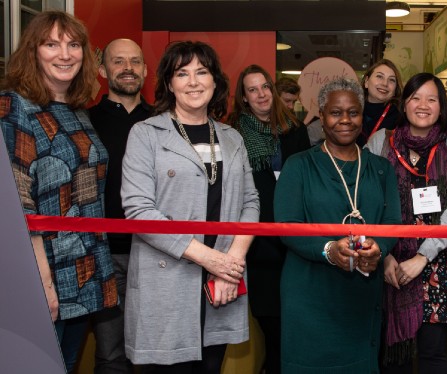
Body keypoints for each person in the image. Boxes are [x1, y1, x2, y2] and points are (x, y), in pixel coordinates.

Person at [121, 41, 259, 373]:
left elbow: (250, 202)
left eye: (202, 72)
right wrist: (210, 259)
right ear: (169, 83)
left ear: (215, 81)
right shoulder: (146, 134)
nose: (193, 82)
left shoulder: (231, 138)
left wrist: (231, 264)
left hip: (221, 285)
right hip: (166, 282)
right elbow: (139, 210)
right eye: (182, 73)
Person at [0, 11, 118, 373]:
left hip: (84, 270)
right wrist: (43, 285)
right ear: (33, 51)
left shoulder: (77, 111)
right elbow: (18, 205)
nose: (64, 54)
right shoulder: (13, 107)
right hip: (41, 272)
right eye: (51, 44)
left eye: (73, 45)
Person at [274, 78, 401, 373]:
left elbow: (392, 223)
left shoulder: (381, 169)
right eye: (335, 112)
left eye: (353, 112)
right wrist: (329, 249)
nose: (345, 120)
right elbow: (286, 225)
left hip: (360, 295)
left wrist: (378, 249)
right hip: (308, 294)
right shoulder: (298, 165)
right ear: (321, 114)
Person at [366, 73, 447, 373]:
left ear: (441, 106)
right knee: (392, 355)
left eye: (432, 99)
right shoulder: (380, 141)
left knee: (433, 353)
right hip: (388, 261)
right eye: (415, 97)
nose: (423, 105)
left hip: (435, 261)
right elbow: (368, 204)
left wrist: (423, 257)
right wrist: (386, 257)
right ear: (404, 103)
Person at [230, 64, 310, 374]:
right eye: (253, 90)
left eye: (265, 87)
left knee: (294, 325)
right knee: (271, 325)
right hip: (258, 243)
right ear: (244, 97)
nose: (261, 94)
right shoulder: (233, 133)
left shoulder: (295, 128)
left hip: (295, 243)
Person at [89, 38, 151, 374]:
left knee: (154, 349)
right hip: (104, 254)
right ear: (102, 70)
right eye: (118, 61)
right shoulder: (84, 122)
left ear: (145, 70)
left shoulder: (165, 122)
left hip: (156, 253)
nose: (128, 69)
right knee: (111, 353)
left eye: (135, 61)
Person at [358, 59, 403, 146]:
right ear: (366, 82)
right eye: (379, 76)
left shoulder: (400, 118)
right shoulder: (351, 111)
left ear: (395, 89)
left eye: (392, 80)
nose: (385, 83)